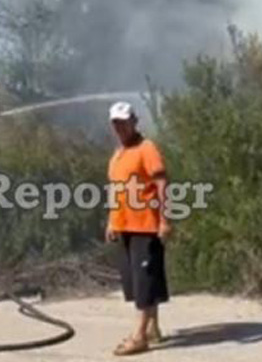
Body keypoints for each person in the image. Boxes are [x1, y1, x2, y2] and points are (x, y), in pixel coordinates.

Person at [105, 102, 172, 356]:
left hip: (146, 226)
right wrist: (112, 221)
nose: (120, 127)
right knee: (138, 283)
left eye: (124, 122)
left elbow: (161, 183)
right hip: (124, 228)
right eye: (115, 123)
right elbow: (116, 189)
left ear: (134, 121)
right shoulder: (118, 154)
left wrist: (164, 219)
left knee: (144, 282)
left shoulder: (147, 148)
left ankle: (139, 336)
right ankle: (153, 327)